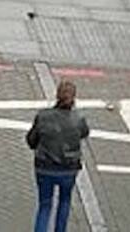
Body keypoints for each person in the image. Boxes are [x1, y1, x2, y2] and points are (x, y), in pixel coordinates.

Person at [26, 80, 89, 232]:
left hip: (44, 167)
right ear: (73, 98)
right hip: (68, 169)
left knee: (45, 206)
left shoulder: (43, 116)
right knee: (65, 202)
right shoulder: (79, 119)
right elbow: (84, 133)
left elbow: (31, 141)